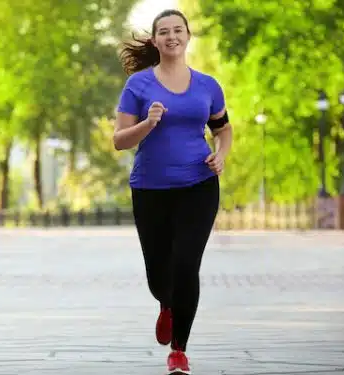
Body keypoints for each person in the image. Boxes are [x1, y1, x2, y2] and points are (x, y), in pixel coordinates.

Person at [113, 8, 233, 375]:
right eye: (163, 32)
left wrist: (221, 156)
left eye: (177, 30)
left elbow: (223, 129)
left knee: (186, 263)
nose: (171, 37)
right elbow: (119, 141)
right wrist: (148, 123)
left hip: (198, 184)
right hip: (150, 188)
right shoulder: (138, 86)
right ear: (155, 40)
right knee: (157, 270)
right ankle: (165, 303)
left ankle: (179, 349)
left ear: (187, 36)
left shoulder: (207, 86)